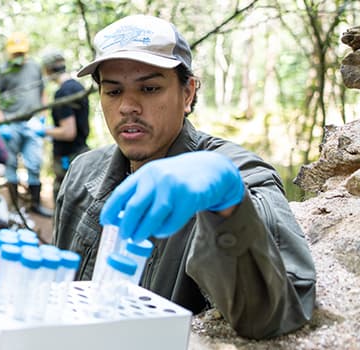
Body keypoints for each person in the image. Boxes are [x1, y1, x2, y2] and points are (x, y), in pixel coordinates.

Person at [52, 15, 315, 339]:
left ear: (188, 93)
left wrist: (227, 206)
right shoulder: (82, 172)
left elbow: (273, 314)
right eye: (113, 91)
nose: (128, 107)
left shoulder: (233, 174)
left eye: (149, 88)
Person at [0, 32, 52, 217]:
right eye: (15, 54)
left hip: (32, 123)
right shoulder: (2, 71)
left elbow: (43, 92)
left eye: (21, 53)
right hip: (11, 124)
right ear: (9, 53)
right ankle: (14, 207)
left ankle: (34, 205)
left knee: (34, 164)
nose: (18, 57)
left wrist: (43, 116)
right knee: (10, 166)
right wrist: (1, 121)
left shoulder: (34, 67)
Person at [40, 52, 90, 205]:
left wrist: (42, 131)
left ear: (48, 70)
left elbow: (68, 132)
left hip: (68, 158)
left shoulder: (63, 93)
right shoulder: (77, 86)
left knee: (64, 203)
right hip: (81, 152)